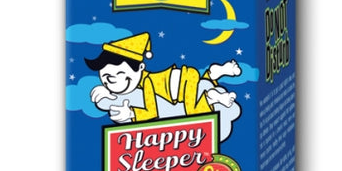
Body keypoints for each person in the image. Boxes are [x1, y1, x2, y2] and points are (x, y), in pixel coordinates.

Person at [85, 32, 241, 123]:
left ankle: (213, 97)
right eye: (106, 77)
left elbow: (152, 112)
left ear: (141, 68)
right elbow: (121, 92)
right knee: (203, 86)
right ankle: (214, 73)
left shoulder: (147, 83)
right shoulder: (140, 84)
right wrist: (106, 92)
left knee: (197, 115)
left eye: (120, 74)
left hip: (185, 82)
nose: (113, 81)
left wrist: (131, 114)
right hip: (185, 77)